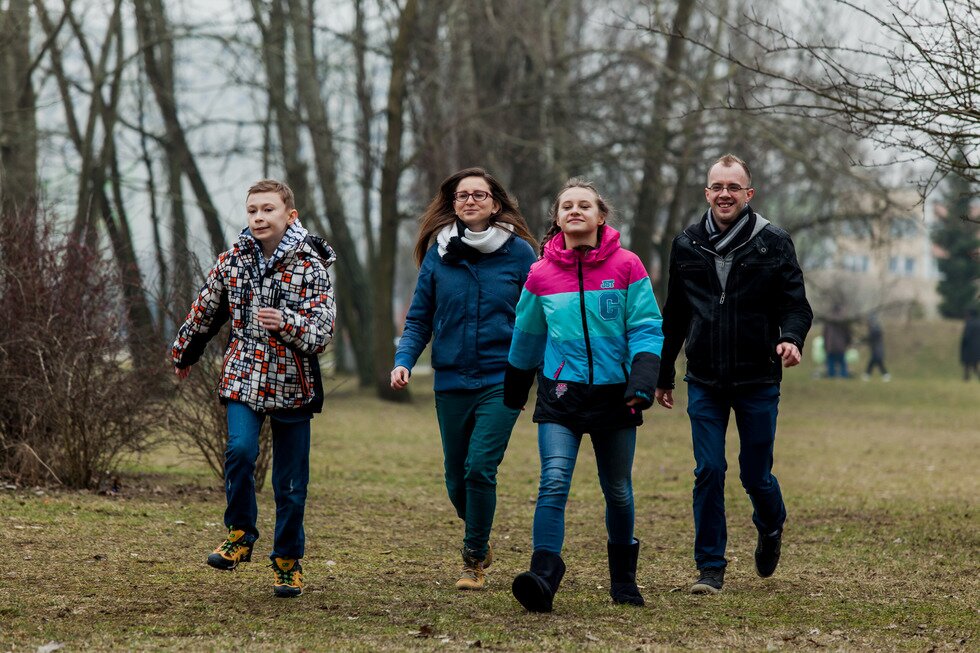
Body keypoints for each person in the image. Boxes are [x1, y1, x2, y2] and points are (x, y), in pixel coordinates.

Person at [654, 154, 812, 594]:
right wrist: (664, 374)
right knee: (708, 469)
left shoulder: (773, 242)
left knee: (755, 474)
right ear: (707, 193)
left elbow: (796, 305)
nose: (725, 194)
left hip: (758, 378)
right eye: (718, 187)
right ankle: (710, 568)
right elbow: (675, 315)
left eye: (733, 187)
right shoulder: (686, 244)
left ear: (748, 193)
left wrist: (791, 339)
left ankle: (771, 524)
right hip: (704, 378)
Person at [504, 179, 664, 612]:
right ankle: (542, 577)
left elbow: (646, 327)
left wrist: (642, 380)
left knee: (618, 490)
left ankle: (624, 582)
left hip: (617, 396)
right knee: (554, 481)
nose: (575, 211)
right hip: (561, 396)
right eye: (567, 206)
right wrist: (515, 390)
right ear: (557, 218)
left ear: (600, 216)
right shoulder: (540, 273)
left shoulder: (628, 265)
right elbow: (527, 334)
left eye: (584, 205)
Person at [172, 179, 336, 598]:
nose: (259, 217)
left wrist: (286, 323)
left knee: (290, 484)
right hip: (244, 374)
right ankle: (240, 533)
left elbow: (321, 332)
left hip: (293, 383)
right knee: (240, 451)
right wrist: (185, 353)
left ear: (290, 216)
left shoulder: (311, 266)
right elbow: (205, 310)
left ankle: (287, 562)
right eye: (252, 210)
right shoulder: (233, 261)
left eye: (268, 209)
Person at [390, 167, 538, 590]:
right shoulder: (438, 255)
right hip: (451, 381)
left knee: (479, 468)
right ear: (452, 204)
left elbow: (537, 315)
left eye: (479, 194)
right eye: (461, 195)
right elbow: (419, 319)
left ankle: (473, 558)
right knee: (456, 479)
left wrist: (539, 369)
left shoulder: (520, 253)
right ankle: (479, 530)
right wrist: (404, 360)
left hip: (502, 379)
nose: (469, 200)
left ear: (495, 203)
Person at [822, 305, 852, 378]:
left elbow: (825, 334)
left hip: (830, 345)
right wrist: (848, 342)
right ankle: (844, 375)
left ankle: (831, 375)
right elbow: (848, 333)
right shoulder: (844, 321)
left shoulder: (828, 321)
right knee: (842, 361)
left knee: (831, 361)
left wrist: (825, 345)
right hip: (841, 345)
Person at [862, 314, 890, 381]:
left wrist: (864, 340)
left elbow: (871, 338)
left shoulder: (875, 329)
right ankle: (868, 374)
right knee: (875, 362)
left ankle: (868, 375)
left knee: (876, 362)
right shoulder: (874, 328)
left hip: (877, 349)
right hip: (875, 348)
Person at [961, 308, 980, 381]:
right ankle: (968, 377)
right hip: (978, 347)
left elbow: (966, 336)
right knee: (975, 365)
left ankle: (966, 378)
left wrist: (963, 345)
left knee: (967, 364)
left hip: (969, 347)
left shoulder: (969, 323)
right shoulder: (978, 322)